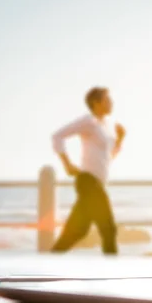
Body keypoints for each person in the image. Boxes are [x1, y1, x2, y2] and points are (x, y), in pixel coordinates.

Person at [50, 86, 125, 255]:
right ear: (96, 103)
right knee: (109, 230)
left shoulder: (105, 127)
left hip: (96, 183)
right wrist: (67, 164)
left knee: (77, 231)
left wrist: (120, 139)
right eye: (107, 99)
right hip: (88, 182)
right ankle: (112, 274)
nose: (111, 102)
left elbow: (108, 158)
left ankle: (45, 265)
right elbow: (58, 136)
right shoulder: (88, 121)